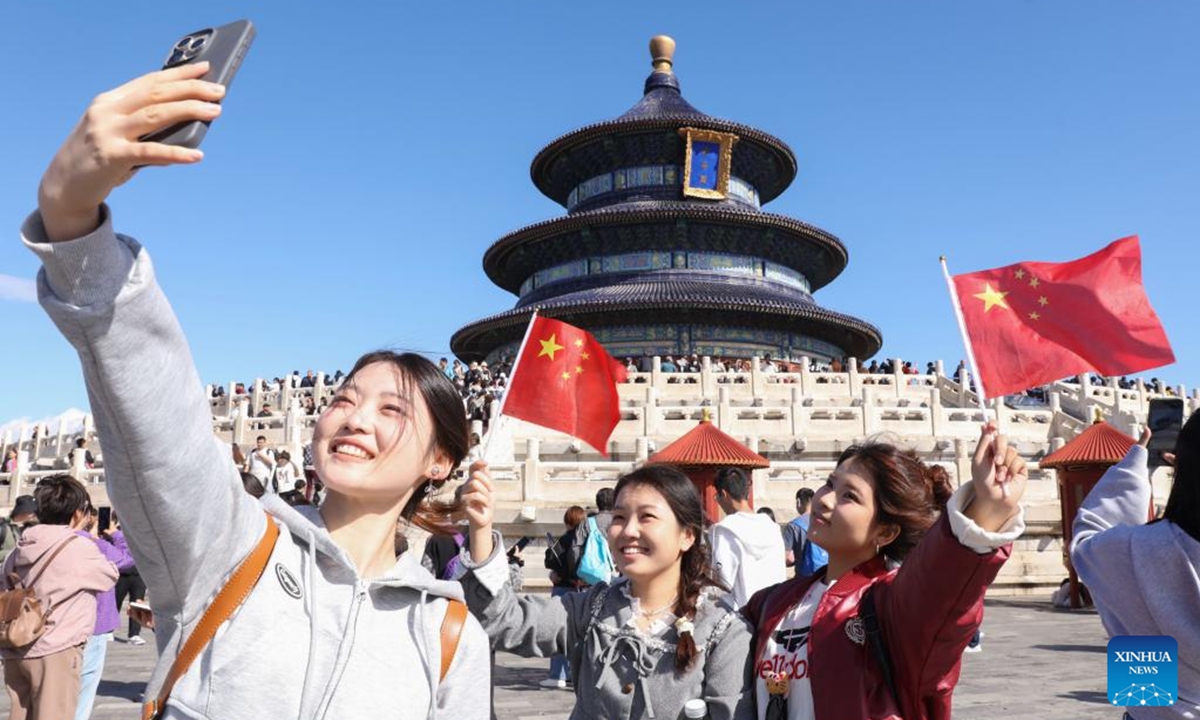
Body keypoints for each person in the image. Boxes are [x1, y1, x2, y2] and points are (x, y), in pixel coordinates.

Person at [23, 62, 489, 718]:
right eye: (344, 399)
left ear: (440, 460)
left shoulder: (450, 637)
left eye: (392, 409)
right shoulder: (229, 545)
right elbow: (161, 416)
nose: (354, 418)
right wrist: (72, 217)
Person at [741, 424, 1026, 720]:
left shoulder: (890, 606)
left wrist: (987, 508)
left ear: (886, 531)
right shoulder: (772, 603)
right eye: (829, 483)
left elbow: (941, 585)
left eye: (849, 496)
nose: (824, 499)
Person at [460, 463, 755, 719]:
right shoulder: (592, 607)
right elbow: (502, 621)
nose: (628, 531)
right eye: (619, 517)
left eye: (647, 517)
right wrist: (481, 528)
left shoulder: (724, 631)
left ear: (687, 535)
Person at [1070, 419, 1200, 718]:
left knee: (1142, 632)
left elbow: (1089, 532)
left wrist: (1133, 467)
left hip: (1151, 709)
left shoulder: (1133, 550)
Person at [0, 475, 119, 720]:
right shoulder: (78, 547)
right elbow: (109, 576)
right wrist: (89, 535)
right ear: (77, 514)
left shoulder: (20, 547)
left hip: (17, 647)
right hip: (56, 647)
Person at [75, 505, 135, 720]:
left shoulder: (29, 542)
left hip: (44, 630)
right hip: (92, 625)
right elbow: (128, 558)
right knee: (83, 689)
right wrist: (115, 534)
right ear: (80, 515)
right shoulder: (94, 545)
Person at [710, 468, 787, 609]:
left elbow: (721, 582)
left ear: (724, 494)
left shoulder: (724, 529)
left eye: (717, 497)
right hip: (774, 609)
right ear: (747, 493)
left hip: (743, 613)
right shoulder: (772, 527)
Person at [542, 505, 587, 689]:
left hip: (563, 589)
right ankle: (574, 673)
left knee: (559, 631)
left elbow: (550, 562)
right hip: (584, 590)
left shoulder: (564, 540)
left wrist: (554, 573)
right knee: (580, 634)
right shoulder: (587, 541)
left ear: (567, 521)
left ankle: (558, 675)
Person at [783, 488, 828, 577]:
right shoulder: (826, 522)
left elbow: (786, 558)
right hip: (825, 576)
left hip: (803, 578)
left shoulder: (793, 526)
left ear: (798, 502)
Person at [0, 495, 39, 563]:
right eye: (32, 512)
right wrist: (14, 553)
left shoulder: (34, 527)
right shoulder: (3, 528)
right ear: (22, 511)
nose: (34, 515)